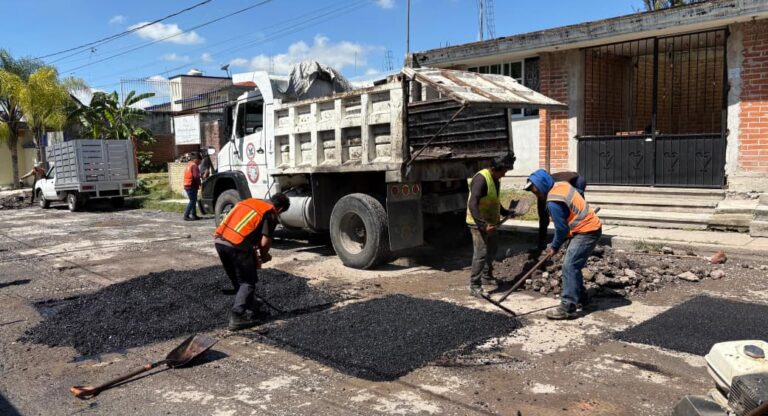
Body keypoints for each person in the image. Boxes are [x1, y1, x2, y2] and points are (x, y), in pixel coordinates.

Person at [524, 169, 602, 320]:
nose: (537, 196)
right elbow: (577, 197)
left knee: (569, 266)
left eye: (537, 192)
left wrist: (554, 246)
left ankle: (568, 307)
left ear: (543, 185)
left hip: (587, 231)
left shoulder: (553, 201)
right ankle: (582, 298)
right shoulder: (562, 185)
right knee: (573, 266)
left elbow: (561, 229)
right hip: (586, 228)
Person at [213, 193, 290, 331]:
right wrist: (265, 255)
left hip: (220, 241)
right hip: (237, 244)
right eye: (281, 213)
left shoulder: (250, 202)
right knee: (248, 282)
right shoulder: (270, 212)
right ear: (280, 209)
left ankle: (251, 305)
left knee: (238, 279)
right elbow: (265, 241)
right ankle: (237, 317)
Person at [466, 153, 517, 297]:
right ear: (495, 169)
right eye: (503, 171)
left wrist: (505, 212)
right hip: (478, 223)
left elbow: (493, 199)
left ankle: (486, 276)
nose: (504, 174)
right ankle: (474, 286)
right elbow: (472, 203)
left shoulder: (495, 179)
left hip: (491, 222)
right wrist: (483, 225)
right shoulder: (481, 179)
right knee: (480, 254)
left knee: (492, 249)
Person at [536, 171, 587, 250]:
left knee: (575, 212)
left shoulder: (553, 187)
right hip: (567, 181)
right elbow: (543, 219)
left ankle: (578, 237)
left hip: (577, 180)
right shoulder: (541, 196)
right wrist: (541, 242)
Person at [183, 153, 202, 221]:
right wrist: (200, 184)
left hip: (187, 185)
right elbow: (196, 176)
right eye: (199, 161)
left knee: (193, 200)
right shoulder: (194, 166)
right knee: (192, 201)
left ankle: (194, 215)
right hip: (191, 186)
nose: (200, 163)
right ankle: (186, 215)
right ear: (196, 159)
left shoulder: (189, 164)